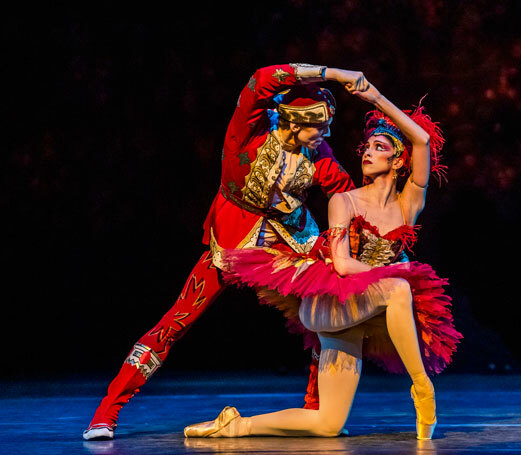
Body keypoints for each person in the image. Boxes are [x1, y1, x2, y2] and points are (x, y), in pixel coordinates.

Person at [83, 64, 367, 440]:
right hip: (232, 244)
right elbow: (261, 79)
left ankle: (315, 410)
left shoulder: (318, 153)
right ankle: (106, 412)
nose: (327, 134)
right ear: (295, 123)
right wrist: (332, 73)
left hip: (289, 244)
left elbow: (345, 194)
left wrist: (376, 218)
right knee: (176, 321)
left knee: (325, 313)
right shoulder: (248, 133)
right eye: (320, 127)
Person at [182, 81, 461, 440]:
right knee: (398, 287)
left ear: (398, 160)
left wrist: (375, 98)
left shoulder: (408, 205)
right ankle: (422, 387)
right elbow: (343, 266)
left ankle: (235, 425)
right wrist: (392, 273)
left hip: (365, 313)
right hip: (330, 305)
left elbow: (421, 140)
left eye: (380, 147)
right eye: (367, 146)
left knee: (329, 424)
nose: (368, 152)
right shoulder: (344, 201)